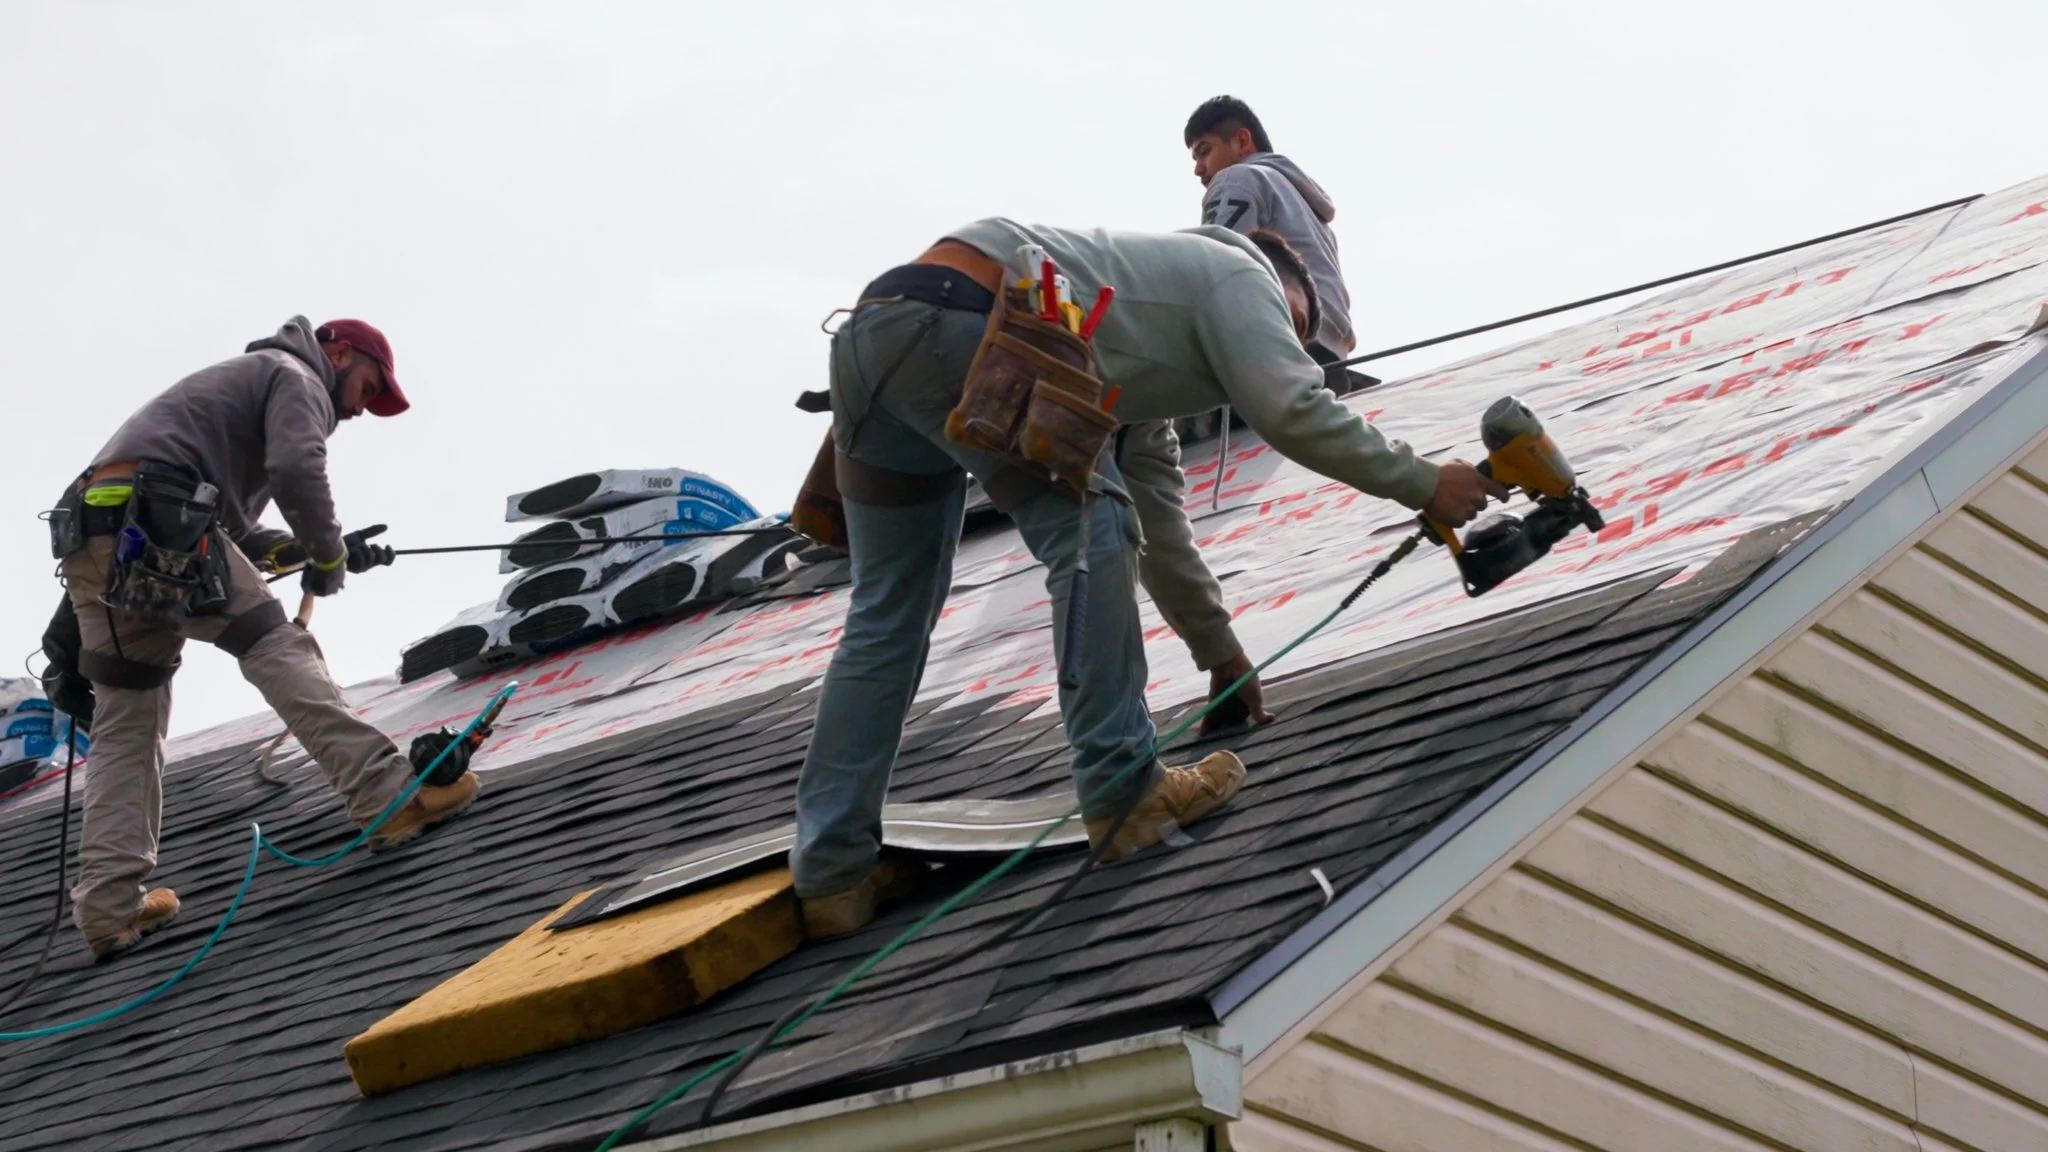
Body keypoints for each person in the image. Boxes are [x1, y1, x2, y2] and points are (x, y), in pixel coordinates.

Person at [792, 221, 1504, 936]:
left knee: (889, 608)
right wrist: (1422, 481)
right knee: (1086, 531)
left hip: (873, 335)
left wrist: (1220, 656)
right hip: (967, 325)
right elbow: (1291, 407)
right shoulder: (1237, 276)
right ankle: (1124, 790)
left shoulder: (1131, 340)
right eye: (1288, 330)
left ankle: (831, 872)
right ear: (1281, 287)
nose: (1277, 347)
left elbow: (1158, 525)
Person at [49, 317, 479, 961]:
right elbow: (295, 467)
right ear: (338, 353)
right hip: (160, 513)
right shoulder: (295, 374)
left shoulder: (232, 396)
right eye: (369, 386)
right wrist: (327, 554)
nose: (364, 408)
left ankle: (109, 909)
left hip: (95, 528)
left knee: (128, 716)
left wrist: (314, 549)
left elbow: (234, 532)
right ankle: (389, 796)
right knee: (275, 644)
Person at [1111, 98, 1366, 734]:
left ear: (1240, 140)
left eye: (1203, 151)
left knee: (1136, 429)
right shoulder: (1303, 198)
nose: (1200, 170)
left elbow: (1226, 258)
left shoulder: (1241, 180)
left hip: (1281, 337)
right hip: (1327, 347)